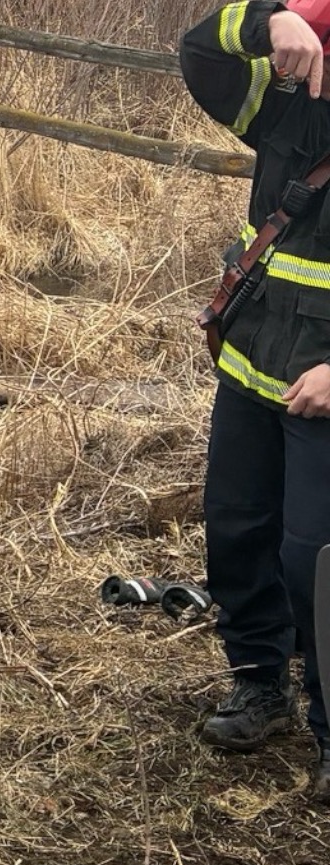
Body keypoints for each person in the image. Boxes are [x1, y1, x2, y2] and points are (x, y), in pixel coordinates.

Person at [181, 2, 330, 796]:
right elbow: (200, 50)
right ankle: (259, 683)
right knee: (238, 531)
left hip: (324, 393)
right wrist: (274, 19)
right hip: (250, 370)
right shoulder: (285, 105)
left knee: (317, 562)